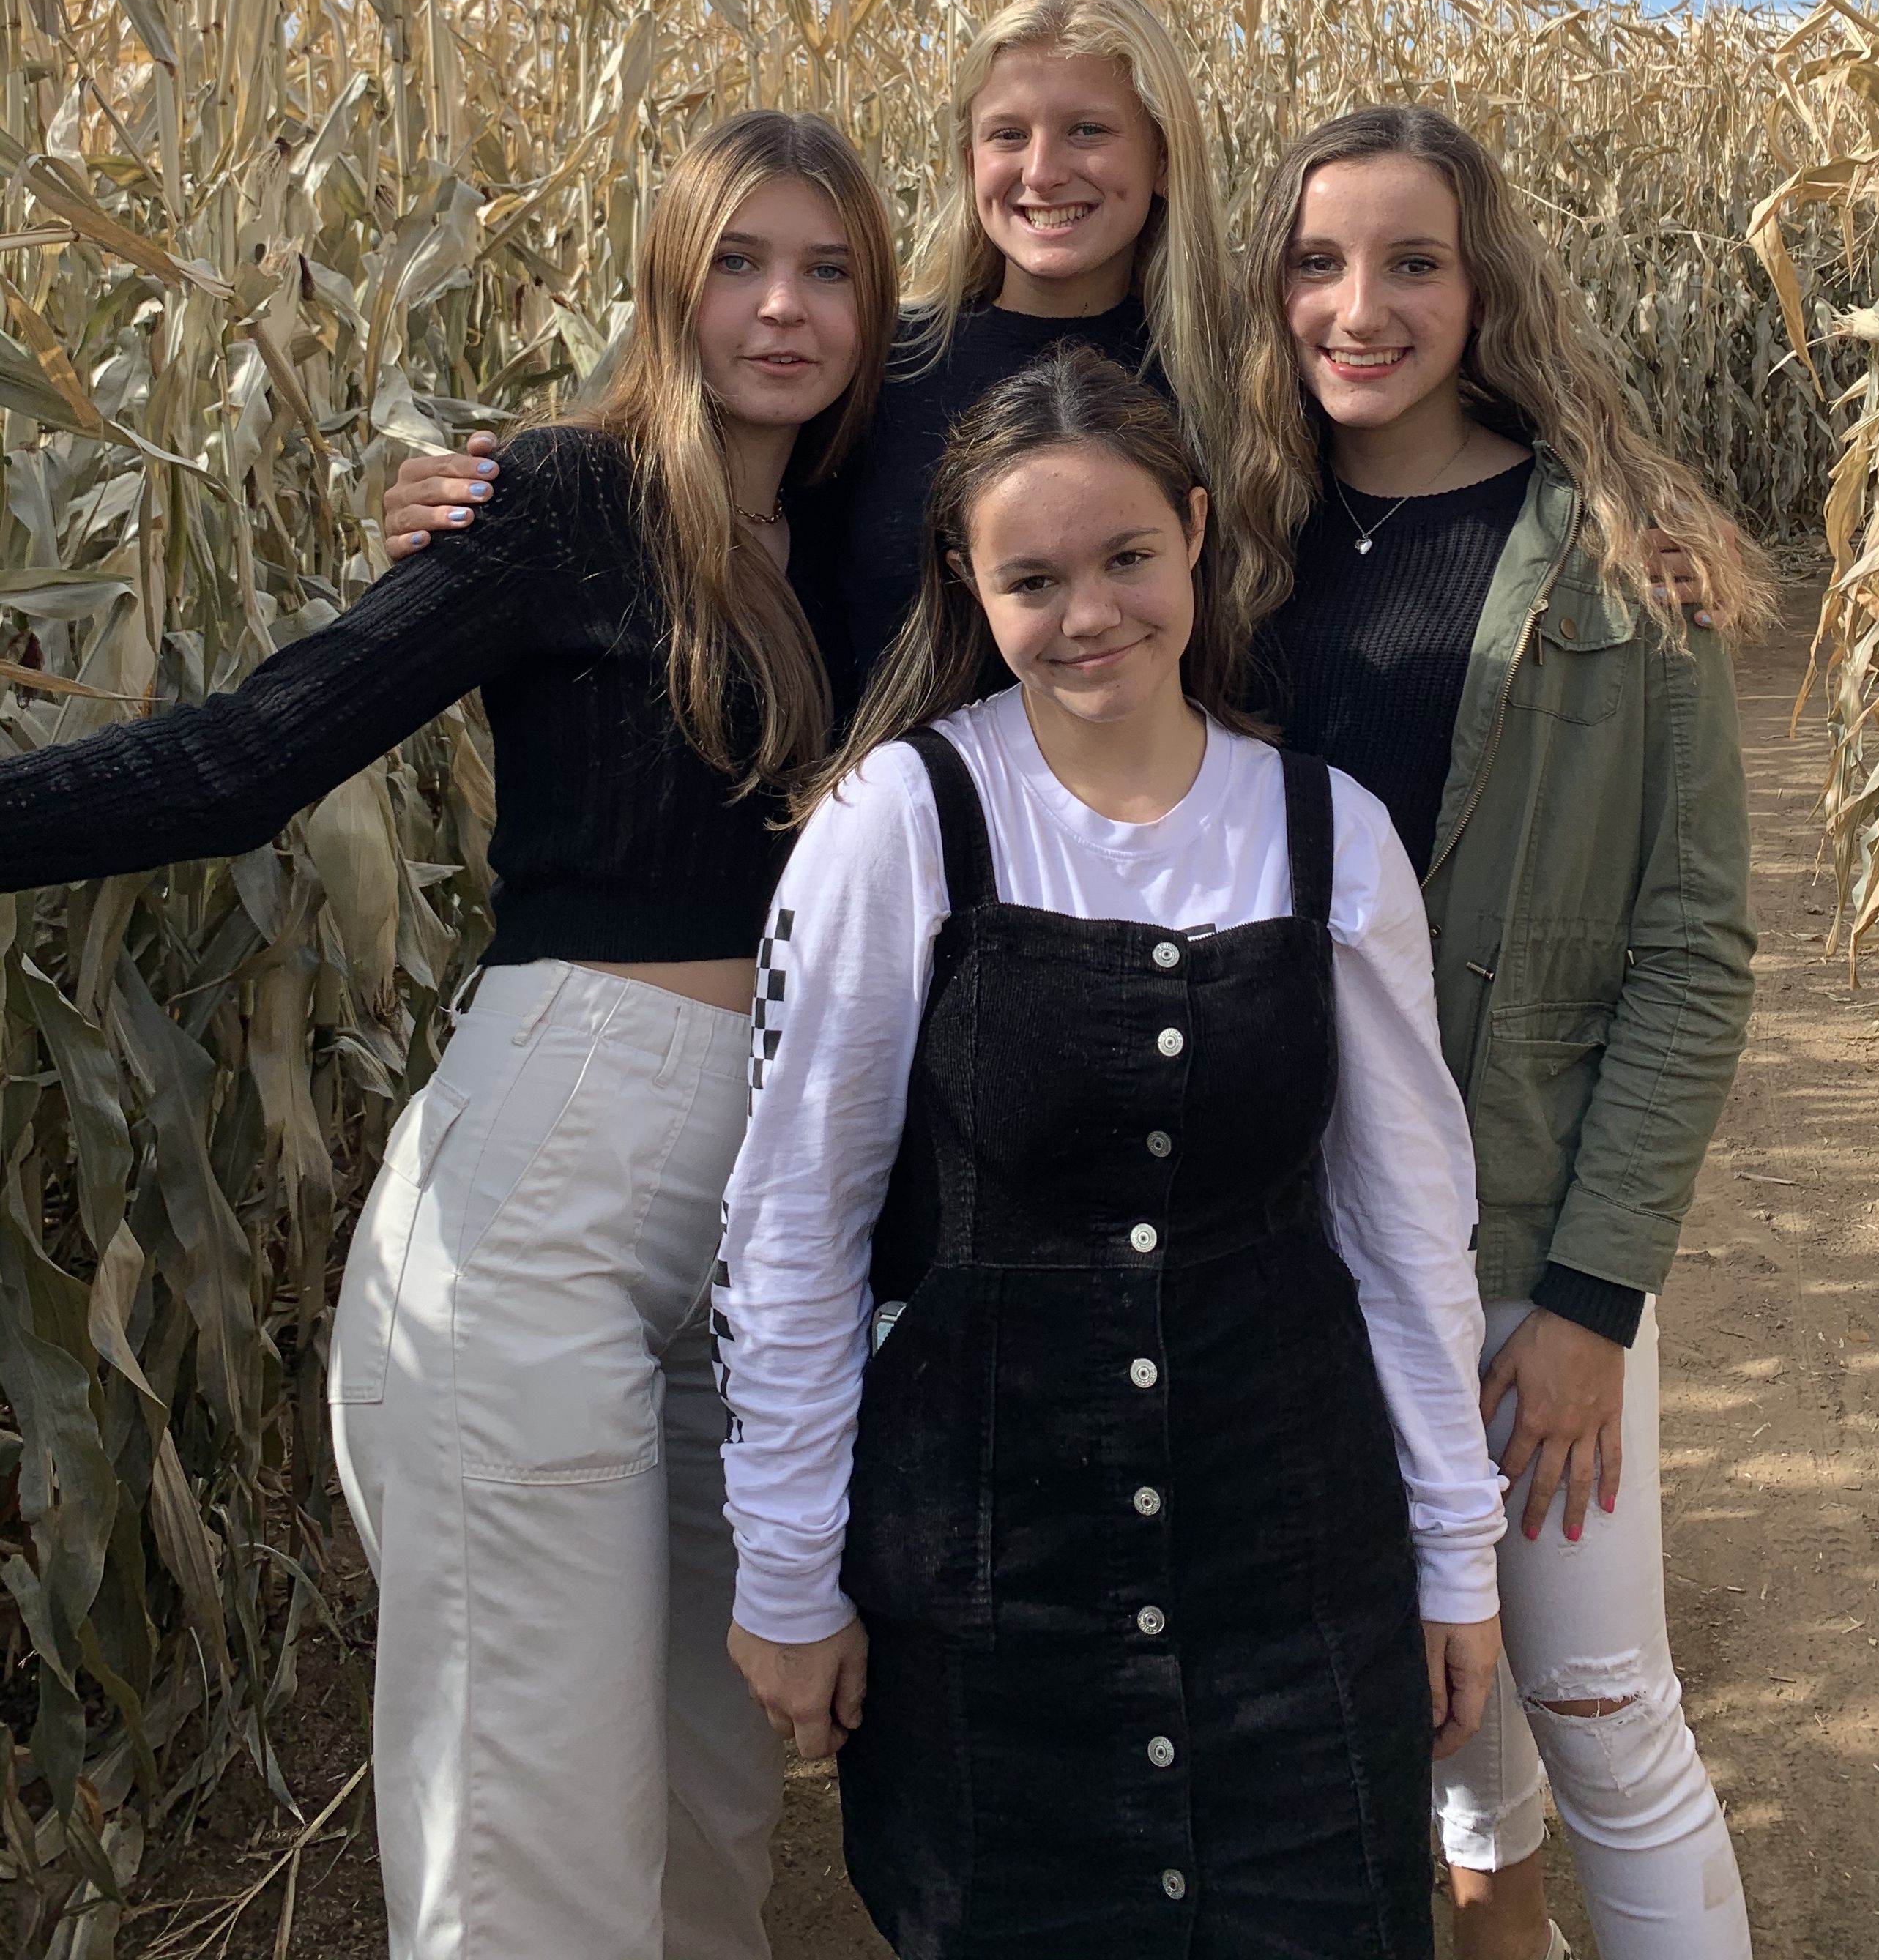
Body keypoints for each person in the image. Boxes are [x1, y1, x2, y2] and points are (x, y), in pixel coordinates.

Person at [0, 111, 899, 1960]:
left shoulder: (865, 541)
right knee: (531, 1836)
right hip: (553, 1187)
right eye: (741, 262)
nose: (784, 310)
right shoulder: (563, 501)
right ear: (670, 279)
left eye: (828, 270)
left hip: (774, 1225)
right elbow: (261, 751)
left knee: (711, 1815)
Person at [715, 346, 1507, 1957]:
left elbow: (1409, 1228)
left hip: (1290, 1560)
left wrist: (1454, 1551)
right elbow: (796, 1216)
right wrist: (790, 1571)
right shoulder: (901, 822)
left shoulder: (1327, 830)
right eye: (1035, 578)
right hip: (999, 1576)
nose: (1091, 614)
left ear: (1198, 535)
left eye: (1128, 558)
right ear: (968, 584)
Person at [1227, 103, 1768, 1960]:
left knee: (1607, 1712)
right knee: (1440, 1713)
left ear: (1486, 285)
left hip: (1528, 1246)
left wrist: (1595, 1307)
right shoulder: (1222, 552)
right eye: (1317, 260)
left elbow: (1697, 953)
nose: (1357, 305)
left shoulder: (1627, 560)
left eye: (1412, 262)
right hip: (1287, 1245)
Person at [380, 0, 1238, 682]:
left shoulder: (1237, 381)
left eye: (1088, 131)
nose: (1044, 171)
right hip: (890, 856)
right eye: (1008, 134)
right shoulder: (877, 363)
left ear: (1163, 158)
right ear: (970, 160)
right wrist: (489, 518)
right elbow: (679, 488)